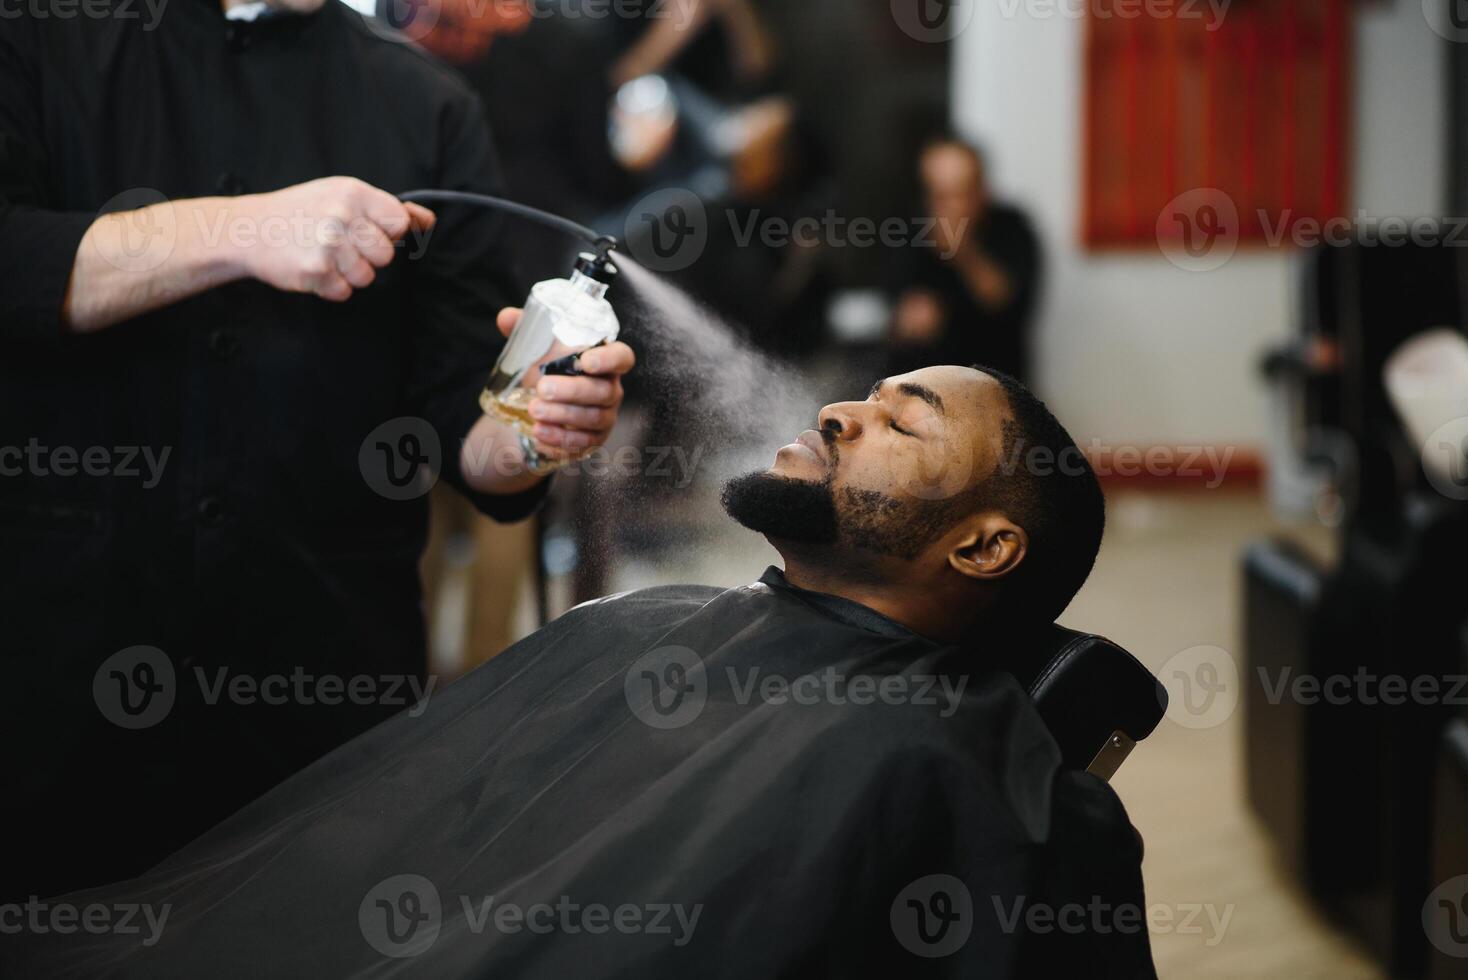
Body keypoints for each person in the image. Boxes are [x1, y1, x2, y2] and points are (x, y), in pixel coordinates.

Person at [3, 366, 1155, 978]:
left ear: (985, 544)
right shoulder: (643, 625)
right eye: (864, 393)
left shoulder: (939, 764)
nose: (839, 409)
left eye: (901, 419)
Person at [0, 0, 635, 901]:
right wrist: (242, 230)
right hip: (50, 664)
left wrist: (536, 429)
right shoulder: (38, 37)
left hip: (316, 677)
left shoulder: (426, 105)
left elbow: (469, 429)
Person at [889, 137, 1041, 382]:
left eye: (957, 194)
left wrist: (964, 252)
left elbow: (1007, 302)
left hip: (993, 386)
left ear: (981, 191)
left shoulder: (1011, 228)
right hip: (922, 388)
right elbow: (895, 310)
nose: (945, 207)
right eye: (937, 195)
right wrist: (907, 318)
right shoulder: (911, 231)